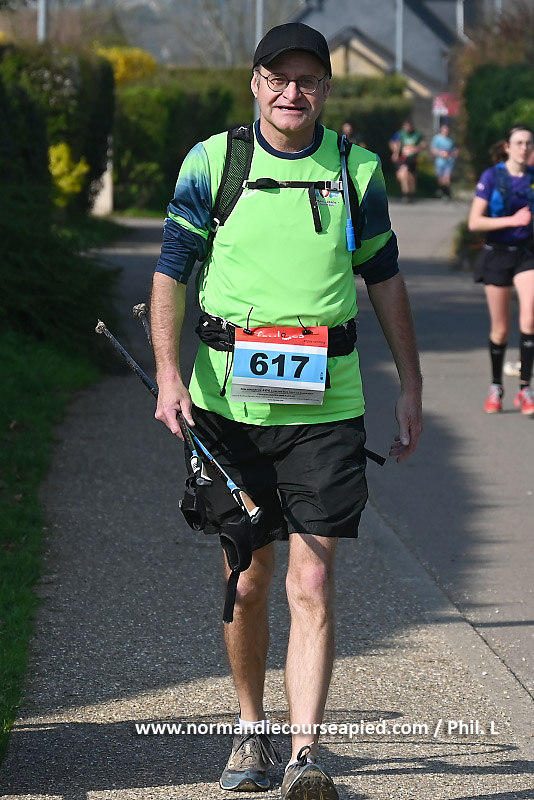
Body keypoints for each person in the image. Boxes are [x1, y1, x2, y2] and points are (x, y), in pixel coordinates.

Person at [151, 22, 423, 800]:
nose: (291, 93)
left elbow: (385, 277)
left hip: (326, 404)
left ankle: (305, 754)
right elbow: (172, 268)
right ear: (256, 83)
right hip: (226, 407)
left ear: (326, 90)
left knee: (312, 576)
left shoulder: (356, 169)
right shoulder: (214, 162)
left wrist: (411, 384)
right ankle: (250, 729)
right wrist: (168, 374)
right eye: (278, 78)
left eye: (307, 80)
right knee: (246, 580)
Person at [468, 123, 534, 416]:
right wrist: (512, 221)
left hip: (526, 255)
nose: (525, 148)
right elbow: (475, 222)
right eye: (519, 143)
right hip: (496, 255)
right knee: (501, 328)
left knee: (530, 319)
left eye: (529, 143)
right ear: (507, 147)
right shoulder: (492, 177)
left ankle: (525, 389)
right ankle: (496, 386)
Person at [389, 119, 426, 202]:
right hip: (403, 158)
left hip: (412, 159)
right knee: (403, 173)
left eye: (409, 126)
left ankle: (410, 192)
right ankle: (405, 193)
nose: (407, 128)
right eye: (406, 126)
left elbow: (423, 143)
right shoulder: (400, 134)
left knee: (411, 177)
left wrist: (416, 149)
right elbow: (393, 143)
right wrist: (395, 152)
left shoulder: (417, 134)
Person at [430, 122, 458, 200]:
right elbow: (433, 149)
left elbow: (455, 150)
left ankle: (447, 194)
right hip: (440, 162)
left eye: (447, 129)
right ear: (441, 129)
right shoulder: (437, 138)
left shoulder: (451, 140)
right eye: (444, 129)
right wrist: (440, 153)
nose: (446, 131)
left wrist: (452, 154)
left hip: (449, 161)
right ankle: (443, 191)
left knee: (447, 178)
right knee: (441, 180)